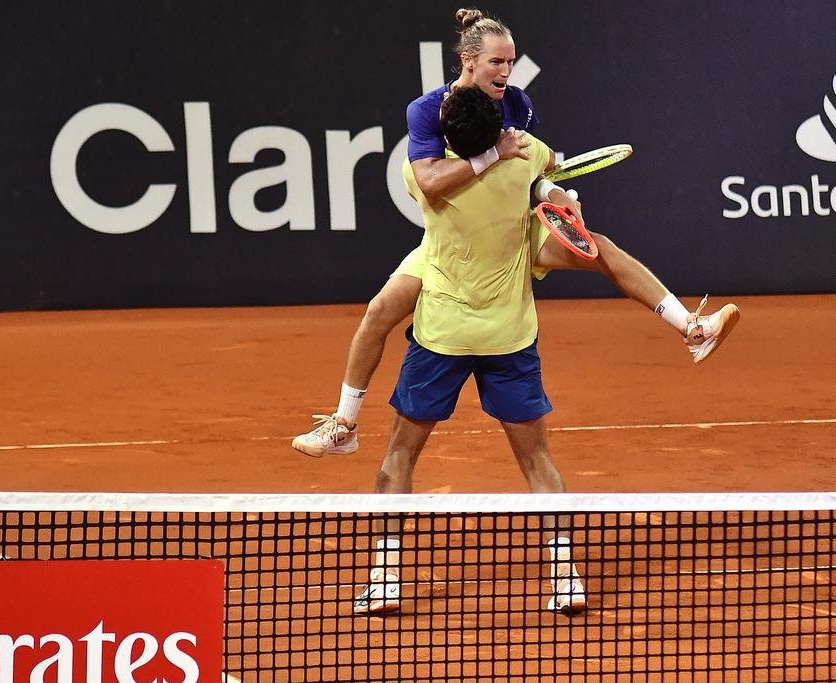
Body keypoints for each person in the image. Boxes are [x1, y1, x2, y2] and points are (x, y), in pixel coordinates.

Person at [292, 8, 739, 457]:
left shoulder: (517, 104)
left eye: (510, 62)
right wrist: (495, 153)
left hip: (511, 231)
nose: (506, 72)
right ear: (469, 61)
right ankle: (344, 424)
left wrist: (552, 189)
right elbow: (430, 180)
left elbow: (528, 172)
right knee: (379, 312)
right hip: (450, 239)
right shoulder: (428, 111)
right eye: (496, 63)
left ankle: (691, 327)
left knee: (599, 250)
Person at [353, 84, 585, 616]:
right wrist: (558, 197)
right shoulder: (523, 160)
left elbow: (437, 172)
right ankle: (565, 574)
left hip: (442, 338)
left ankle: (387, 577)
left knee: (399, 455)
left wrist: (488, 156)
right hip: (508, 339)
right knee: (537, 459)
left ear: (449, 137)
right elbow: (550, 175)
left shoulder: (424, 180)